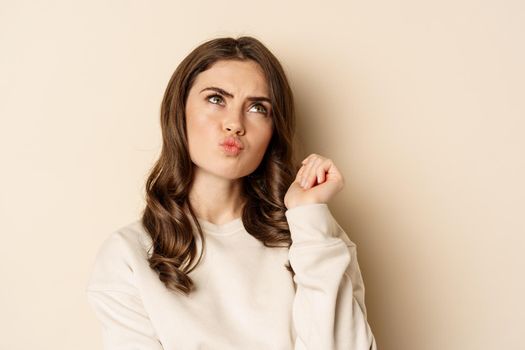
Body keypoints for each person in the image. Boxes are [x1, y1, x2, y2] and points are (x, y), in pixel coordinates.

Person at [85, 35, 377, 350]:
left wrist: (307, 213)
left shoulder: (312, 234)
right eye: (216, 99)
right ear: (179, 110)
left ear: (273, 129)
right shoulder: (129, 254)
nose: (234, 124)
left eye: (257, 107)